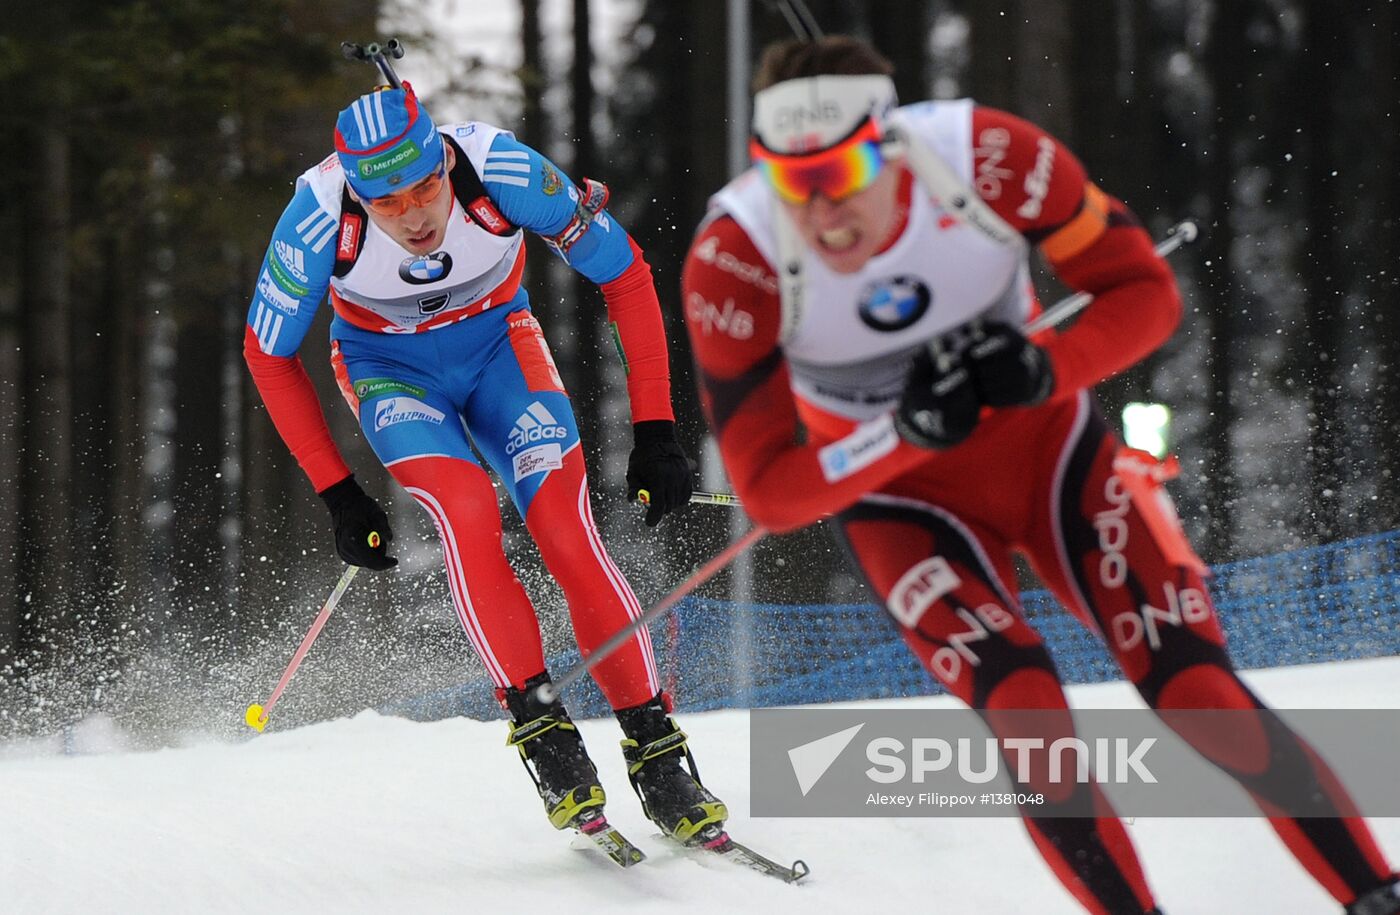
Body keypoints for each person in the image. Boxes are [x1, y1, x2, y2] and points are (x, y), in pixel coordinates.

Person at [681, 36, 1398, 914]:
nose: (825, 212)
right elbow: (771, 493)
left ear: (893, 141)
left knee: (1197, 691)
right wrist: (901, 431)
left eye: (845, 170)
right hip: (902, 504)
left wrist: (1043, 367)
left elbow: (1145, 295)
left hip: (1055, 456)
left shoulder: (988, 157)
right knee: (1029, 715)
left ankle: (1374, 892)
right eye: (797, 182)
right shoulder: (736, 254)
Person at [243, 79, 727, 849]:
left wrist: (656, 429)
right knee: (466, 509)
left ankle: (657, 748)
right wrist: (339, 493)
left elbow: (626, 273)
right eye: (388, 202)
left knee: (564, 527)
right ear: (358, 197)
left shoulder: (500, 169)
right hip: (387, 368)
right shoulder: (313, 218)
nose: (416, 215)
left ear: (442, 160)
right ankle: (544, 733)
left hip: (502, 345)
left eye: (426, 186)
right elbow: (267, 356)